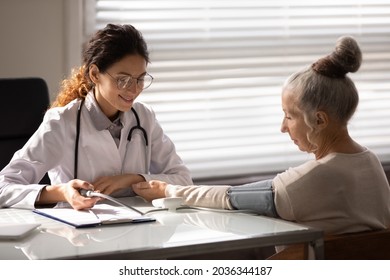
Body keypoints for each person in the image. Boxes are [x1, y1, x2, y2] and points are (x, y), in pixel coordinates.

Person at [133, 36, 390, 235]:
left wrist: (168, 190)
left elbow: (230, 198)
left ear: (319, 120)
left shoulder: (316, 177)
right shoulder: (370, 163)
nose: (283, 127)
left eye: (289, 116)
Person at [0, 24, 192, 210]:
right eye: (123, 79)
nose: (134, 90)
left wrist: (133, 178)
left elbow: (182, 179)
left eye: (140, 79)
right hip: (78, 234)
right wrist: (62, 192)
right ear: (95, 74)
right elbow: (3, 188)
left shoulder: (144, 117)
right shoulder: (61, 122)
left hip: (139, 228)